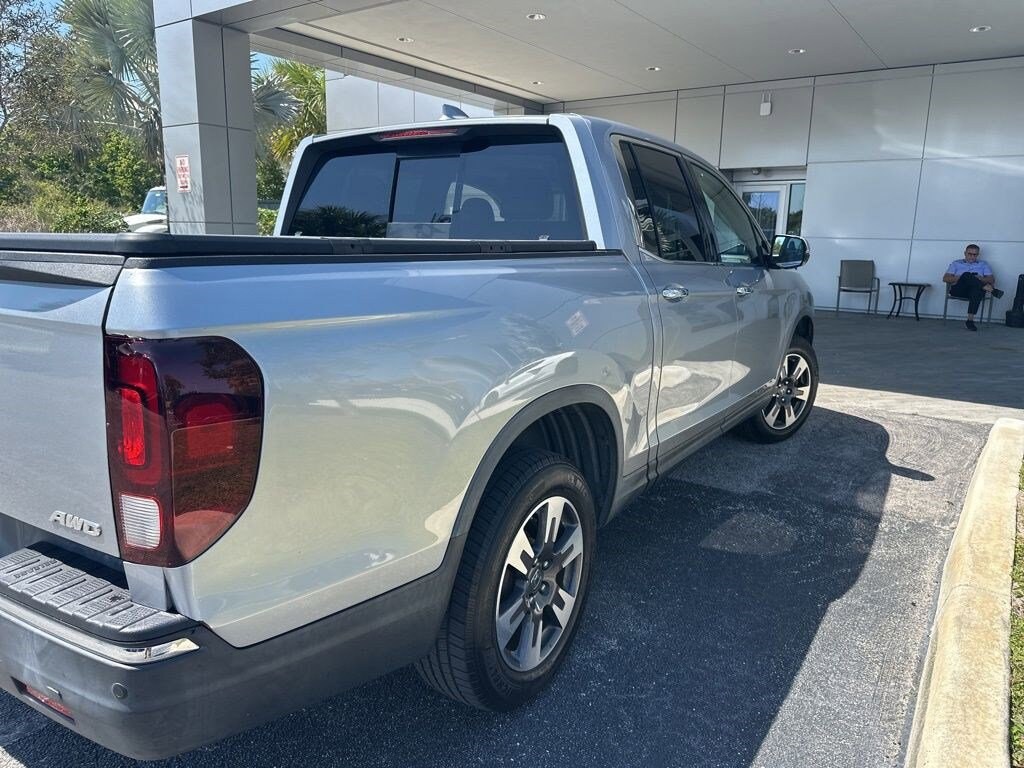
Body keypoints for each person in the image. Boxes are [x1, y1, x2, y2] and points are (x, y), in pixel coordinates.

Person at [943, 244, 1004, 331]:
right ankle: (992, 290)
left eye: (974, 254)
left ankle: (970, 321)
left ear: (978, 254)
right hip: (959, 289)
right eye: (969, 254)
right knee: (967, 275)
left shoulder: (983, 264)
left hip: (975, 290)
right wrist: (962, 277)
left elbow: (991, 280)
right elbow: (945, 278)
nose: (972, 256)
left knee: (977, 289)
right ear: (965, 253)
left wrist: (980, 278)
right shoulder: (956, 263)